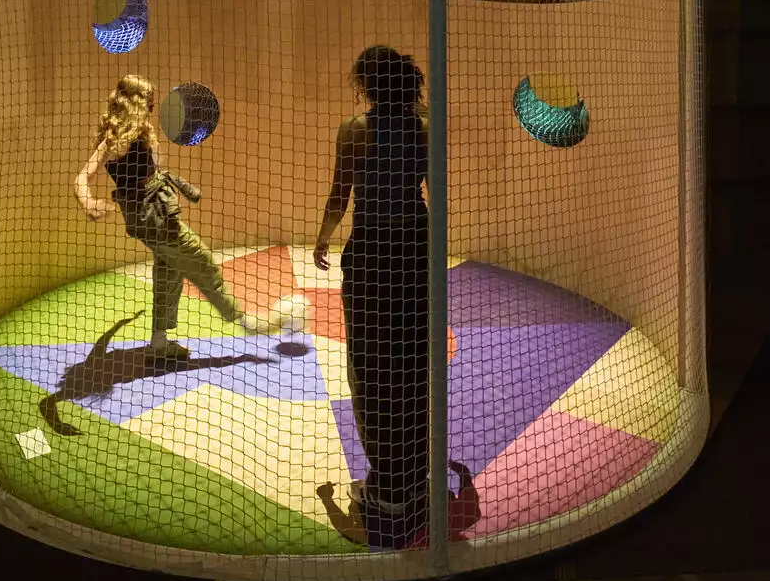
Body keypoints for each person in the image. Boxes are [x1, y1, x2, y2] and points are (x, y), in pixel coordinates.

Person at [76, 73, 285, 359]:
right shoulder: (117, 141)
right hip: (155, 217)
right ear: (135, 103)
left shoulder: (129, 134)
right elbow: (82, 177)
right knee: (203, 263)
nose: (153, 107)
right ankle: (247, 322)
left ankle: (159, 342)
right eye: (148, 102)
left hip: (145, 220)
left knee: (168, 271)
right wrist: (89, 202)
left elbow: (148, 166)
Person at [313, 45, 431, 549]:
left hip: (374, 253)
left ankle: (386, 491)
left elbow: (341, 192)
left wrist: (322, 236)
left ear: (366, 83)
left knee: (371, 363)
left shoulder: (356, 130)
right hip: (415, 247)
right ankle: (413, 479)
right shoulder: (421, 129)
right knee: (410, 358)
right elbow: (428, 188)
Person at [317, 461, 481, 548]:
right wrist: (463, 473)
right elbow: (470, 505)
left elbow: (348, 529)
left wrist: (327, 500)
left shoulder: (395, 533)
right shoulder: (452, 519)